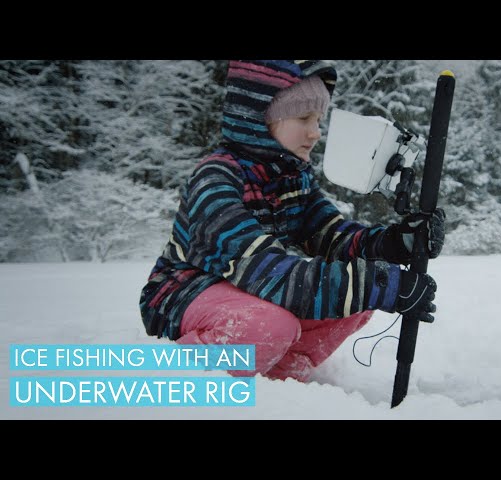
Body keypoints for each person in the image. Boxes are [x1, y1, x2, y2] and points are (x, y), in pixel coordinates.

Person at [139, 60, 446, 382]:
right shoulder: (216, 179)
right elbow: (265, 268)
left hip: (249, 289)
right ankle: (173, 378)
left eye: (318, 120)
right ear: (258, 119)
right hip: (184, 294)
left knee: (352, 303)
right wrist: (373, 284)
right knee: (272, 324)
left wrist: (393, 243)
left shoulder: (292, 178)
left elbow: (331, 235)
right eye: (303, 118)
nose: (315, 133)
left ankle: (279, 384)